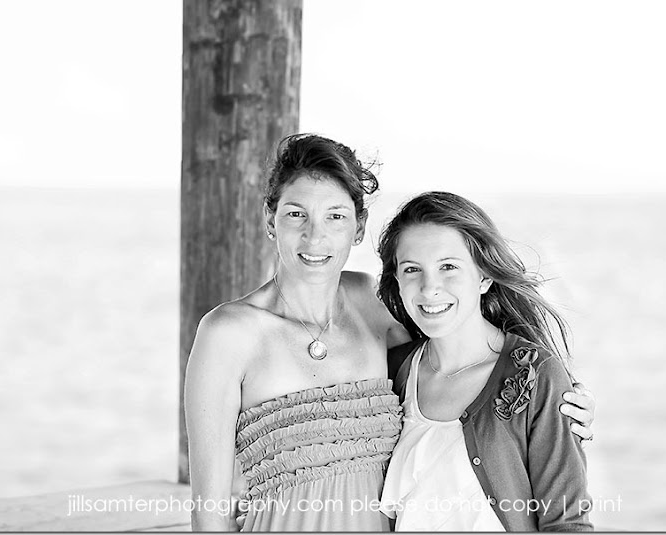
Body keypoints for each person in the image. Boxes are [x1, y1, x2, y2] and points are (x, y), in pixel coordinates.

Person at [184, 134, 595, 532]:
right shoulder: (228, 334)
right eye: (296, 214)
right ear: (269, 220)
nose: (315, 235)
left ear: (358, 227)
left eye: (335, 216)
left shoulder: (370, 304)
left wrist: (555, 401)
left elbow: (453, 360)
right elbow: (210, 514)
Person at [376, 191, 593, 531]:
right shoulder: (392, 372)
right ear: (398, 282)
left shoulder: (536, 375)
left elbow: (566, 522)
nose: (429, 288)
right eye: (412, 269)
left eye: (448, 267)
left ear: (484, 277)